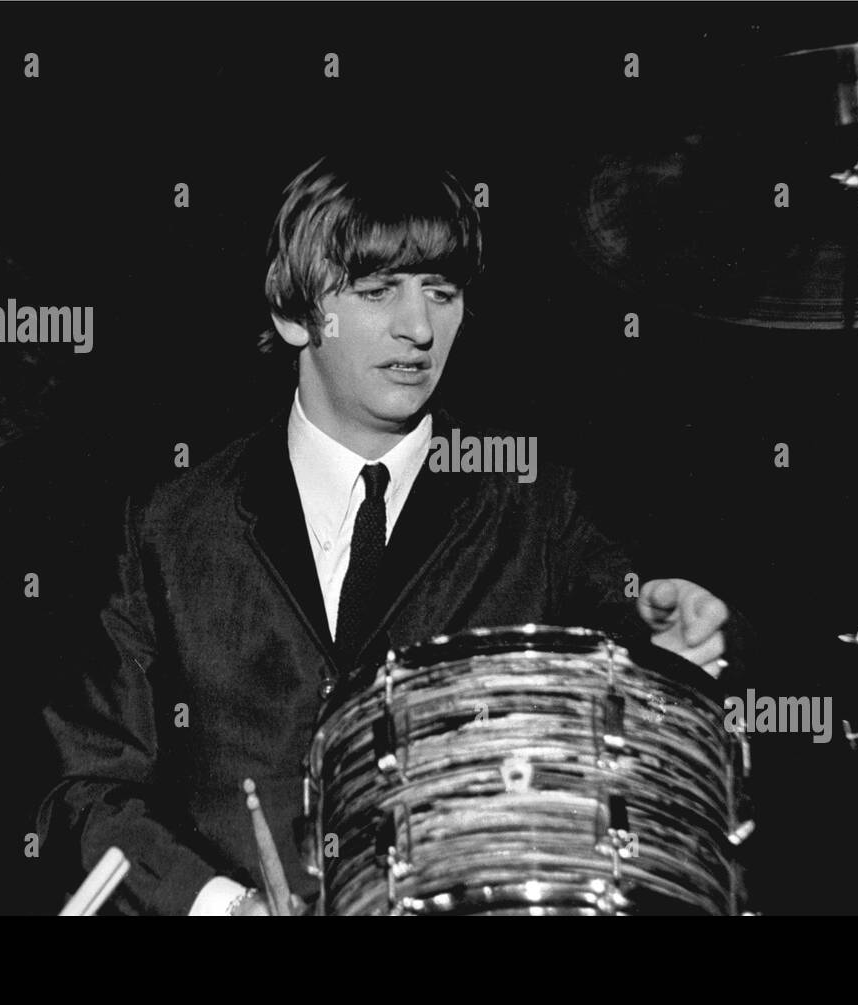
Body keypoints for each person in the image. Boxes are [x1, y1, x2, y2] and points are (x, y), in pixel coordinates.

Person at [37, 155, 734, 916]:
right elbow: (86, 790)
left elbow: (637, 727)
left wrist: (667, 641)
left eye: (442, 292)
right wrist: (220, 906)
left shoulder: (536, 506)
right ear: (294, 314)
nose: (418, 327)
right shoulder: (167, 526)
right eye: (377, 292)